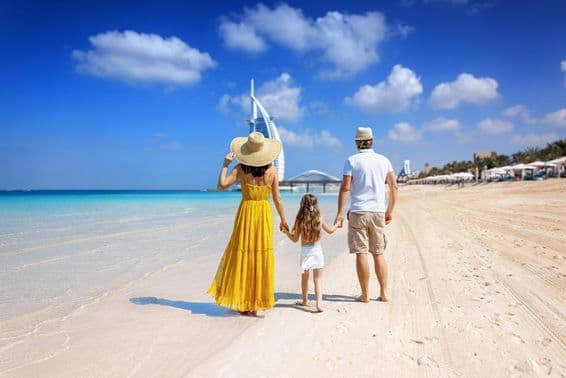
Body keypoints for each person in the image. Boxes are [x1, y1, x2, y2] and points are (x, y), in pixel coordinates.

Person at [208, 132, 289, 316]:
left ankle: (243, 302)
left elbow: (221, 186)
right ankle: (255, 303)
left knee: (244, 255)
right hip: (263, 215)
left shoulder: (240, 170)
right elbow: (277, 198)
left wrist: (225, 165)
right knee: (260, 256)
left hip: (246, 214)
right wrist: (283, 220)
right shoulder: (272, 172)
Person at [335, 127, 398, 303]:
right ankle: (384, 293)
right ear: (372, 141)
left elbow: (346, 187)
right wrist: (389, 211)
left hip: (358, 212)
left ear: (357, 142)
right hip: (378, 212)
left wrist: (340, 213)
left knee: (361, 252)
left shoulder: (352, 160)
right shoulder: (384, 160)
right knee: (378, 253)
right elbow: (394, 186)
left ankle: (365, 295)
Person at [283, 194, 342, 313]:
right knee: (318, 279)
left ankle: (305, 300)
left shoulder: (299, 220)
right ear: (315, 205)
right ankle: (319, 304)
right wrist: (337, 224)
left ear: (302, 205)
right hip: (317, 251)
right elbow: (330, 231)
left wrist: (286, 232)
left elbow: (294, 239)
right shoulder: (319, 218)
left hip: (305, 252)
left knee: (305, 278)